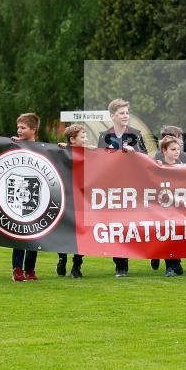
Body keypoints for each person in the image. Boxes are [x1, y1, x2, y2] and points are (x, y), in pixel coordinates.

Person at [98, 99, 148, 277]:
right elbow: (99, 161)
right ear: (112, 116)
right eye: (121, 113)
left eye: (127, 113)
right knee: (117, 226)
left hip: (133, 187)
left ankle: (153, 255)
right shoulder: (104, 136)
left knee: (133, 226)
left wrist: (135, 154)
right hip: (112, 189)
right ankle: (121, 264)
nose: (125, 116)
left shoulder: (136, 133)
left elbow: (146, 159)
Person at [55, 124, 91, 278]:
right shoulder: (62, 153)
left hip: (83, 201)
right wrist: (63, 149)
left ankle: (77, 265)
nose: (86, 140)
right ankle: (62, 258)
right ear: (72, 139)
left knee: (83, 233)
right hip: (66, 200)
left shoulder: (88, 153)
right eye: (82, 137)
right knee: (64, 232)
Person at [11, 113, 42, 282]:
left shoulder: (43, 148)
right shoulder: (14, 145)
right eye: (18, 127)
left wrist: (62, 147)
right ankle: (17, 268)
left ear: (33, 129)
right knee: (19, 233)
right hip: (18, 194)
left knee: (34, 233)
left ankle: (30, 268)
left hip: (37, 195)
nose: (19, 130)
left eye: (23, 127)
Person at [156, 136, 186, 276]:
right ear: (164, 150)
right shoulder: (156, 165)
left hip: (179, 207)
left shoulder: (184, 165)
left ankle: (175, 263)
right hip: (162, 207)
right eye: (173, 149)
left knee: (177, 235)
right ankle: (170, 266)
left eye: (178, 149)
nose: (177, 152)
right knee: (167, 235)